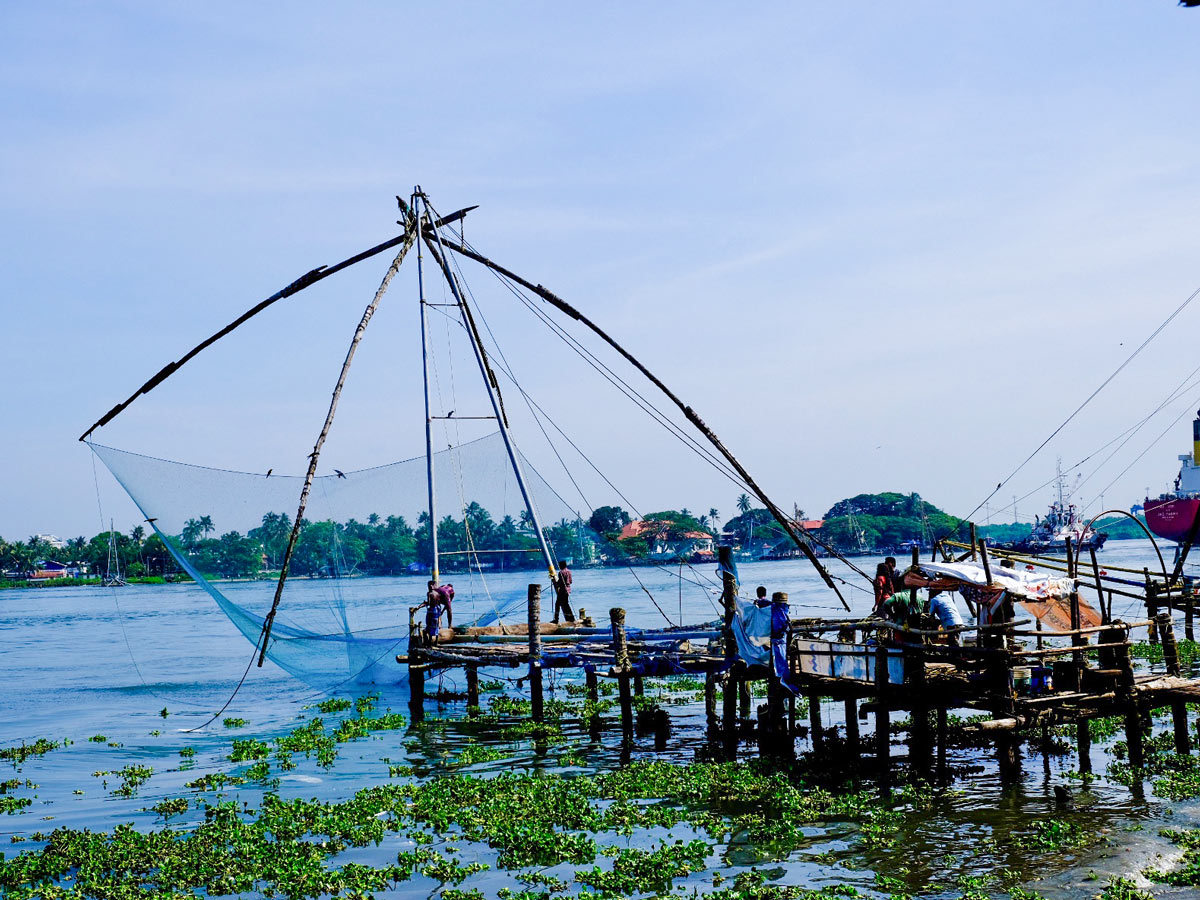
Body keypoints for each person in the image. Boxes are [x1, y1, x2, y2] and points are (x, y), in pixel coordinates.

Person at [414, 580, 453, 647]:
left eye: (429, 586)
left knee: (448, 609)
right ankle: (435, 635)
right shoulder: (436, 592)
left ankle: (449, 625)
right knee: (434, 622)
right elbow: (431, 602)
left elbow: (449, 609)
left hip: (442, 600)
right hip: (436, 608)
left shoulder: (445, 592)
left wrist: (420, 606)